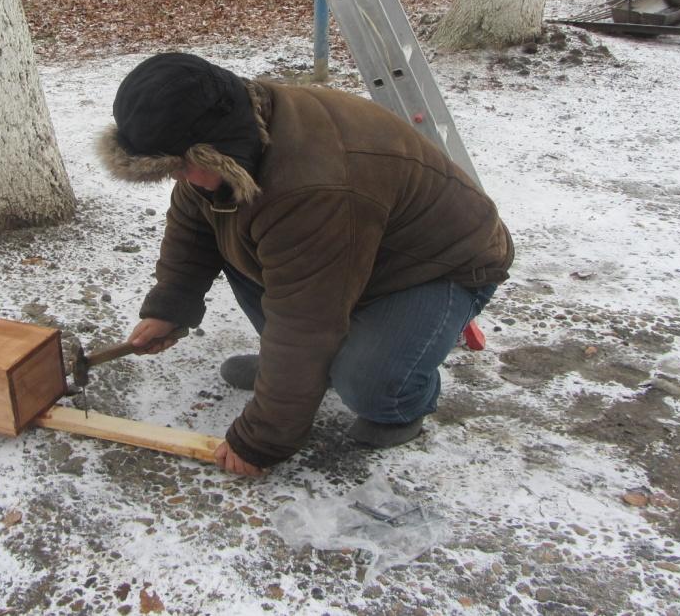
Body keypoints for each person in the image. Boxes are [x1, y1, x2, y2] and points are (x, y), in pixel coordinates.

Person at [96, 53, 512, 477]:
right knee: (245, 250)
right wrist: (171, 307)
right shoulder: (241, 132)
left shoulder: (314, 184)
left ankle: (400, 398)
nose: (181, 179)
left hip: (434, 265)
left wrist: (263, 436)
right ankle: (303, 374)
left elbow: (306, 322)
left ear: (217, 144)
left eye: (184, 166)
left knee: (366, 383)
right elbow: (194, 226)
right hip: (344, 256)